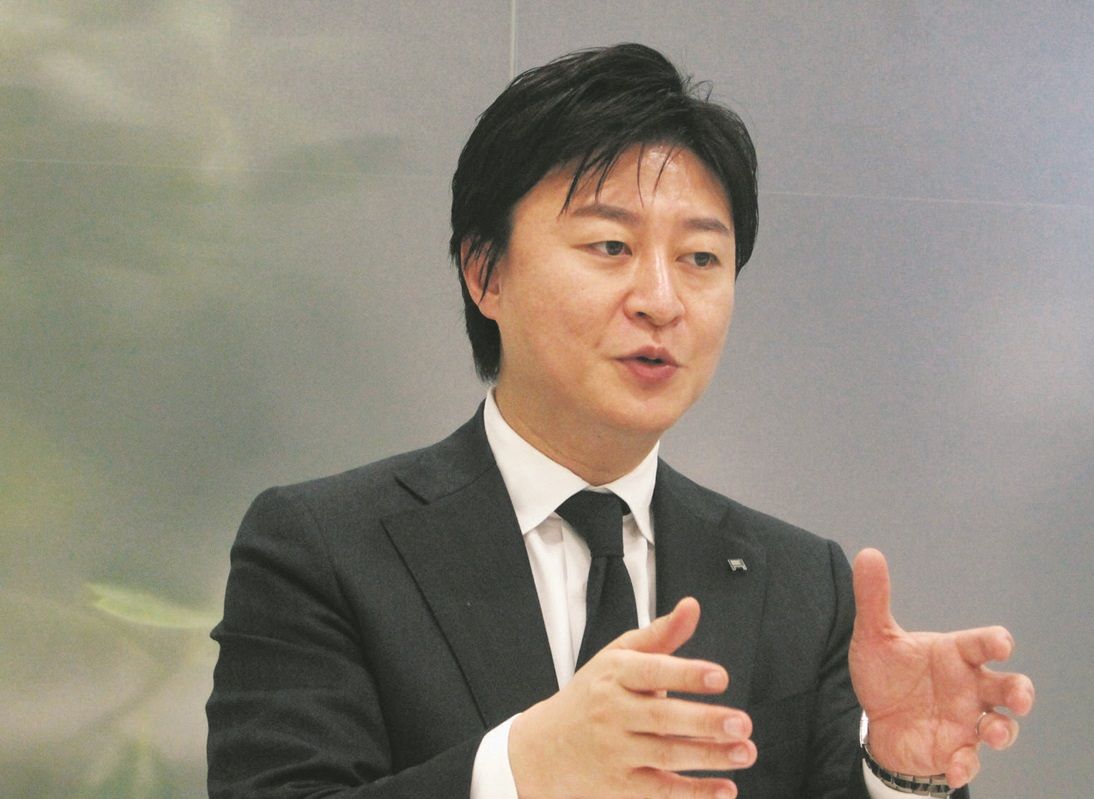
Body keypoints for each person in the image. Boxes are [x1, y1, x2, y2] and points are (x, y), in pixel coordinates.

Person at [207, 43, 1033, 799]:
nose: (661, 300)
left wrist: (899, 775)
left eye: (700, 258)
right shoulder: (322, 548)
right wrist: (523, 768)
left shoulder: (800, 582)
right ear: (485, 273)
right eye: (610, 246)